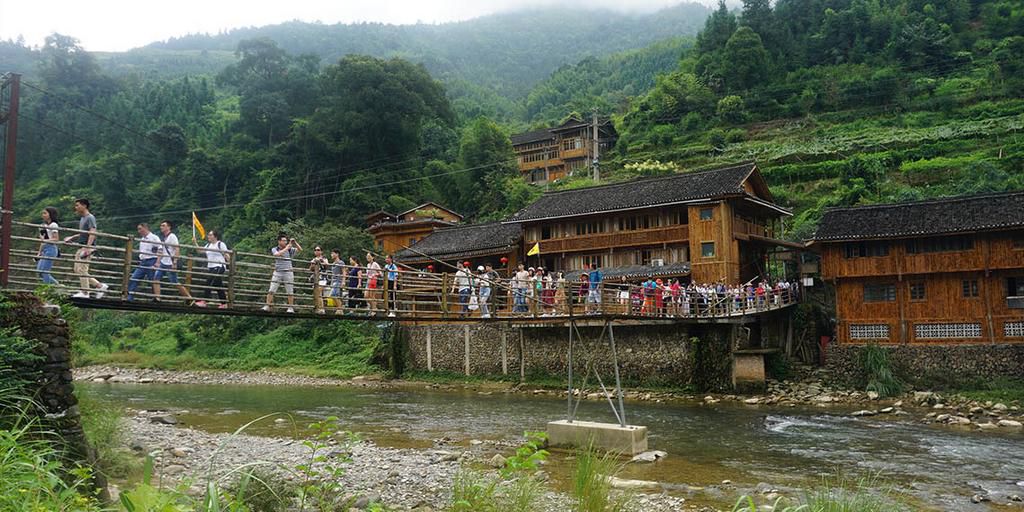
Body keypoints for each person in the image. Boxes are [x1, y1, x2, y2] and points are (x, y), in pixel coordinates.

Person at [65, 198, 108, 298]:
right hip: (81, 246)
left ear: (84, 206)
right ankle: (100, 286)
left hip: (87, 247)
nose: (76, 207)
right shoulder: (83, 218)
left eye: (77, 205)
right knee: (77, 269)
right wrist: (73, 237)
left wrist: (88, 248)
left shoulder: (90, 217)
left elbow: (92, 232)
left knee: (82, 270)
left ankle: (85, 292)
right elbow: (83, 232)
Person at [153, 220, 195, 304]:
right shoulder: (164, 237)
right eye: (161, 225)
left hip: (170, 263)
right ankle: (158, 298)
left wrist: (175, 262)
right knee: (156, 278)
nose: (161, 227)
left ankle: (189, 298)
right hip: (163, 262)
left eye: (163, 225)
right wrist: (158, 261)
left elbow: (177, 248)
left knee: (174, 282)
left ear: (169, 227)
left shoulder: (172, 236)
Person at [263, 234, 301, 313]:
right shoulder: (275, 248)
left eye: (286, 241)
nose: (285, 242)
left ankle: (290, 307)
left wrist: (295, 243)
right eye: (283, 241)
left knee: (290, 290)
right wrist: (287, 248)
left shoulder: (290, 249)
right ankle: (267, 305)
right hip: (278, 272)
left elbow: (300, 249)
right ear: (279, 241)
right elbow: (277, 254)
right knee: (272, 289)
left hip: (288, 272)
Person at [126, 223, 161, 301]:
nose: (139, 231)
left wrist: (157, 262)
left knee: (153, 280)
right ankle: (130, 297)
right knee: (134, 278)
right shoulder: (142, 239)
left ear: (145, 228)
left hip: (152, 260)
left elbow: (160, 249)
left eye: (140, 229)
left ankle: (156, 298)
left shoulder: (154, 238)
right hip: (143, 261)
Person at [196, 230, 230, 308]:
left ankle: (205, 301)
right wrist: (195, 242)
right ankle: (224, 303)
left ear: (215, 236)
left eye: (210, 235)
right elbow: (199, 251)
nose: (208, 236)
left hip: (219, 266)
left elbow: (226, 254)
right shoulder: (208, 245)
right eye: (208, 235)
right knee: (218, 285)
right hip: (211, 267)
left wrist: (230, 263)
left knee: (209, 282)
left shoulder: (220, 244)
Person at [36, 207, 61, 286]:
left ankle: (48, 289)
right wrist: (39, 252)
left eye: (45, 213)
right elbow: (42, 241)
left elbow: (56, 239)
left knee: (44, 271)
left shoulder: (53, 224)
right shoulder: (43, 225)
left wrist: (45, 241)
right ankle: (57, 285)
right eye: (43, 213)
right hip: (44, 249)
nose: (43, 215)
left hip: (51, 248)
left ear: (50, 214)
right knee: (39, 271)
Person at [309, 246, 329, 314]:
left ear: (321, 251)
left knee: (319, 292)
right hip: (316, 279)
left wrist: (321, 260)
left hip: (323, 278)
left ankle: (322, 309)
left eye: (318, 250)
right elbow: (311, 269)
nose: (317, 251)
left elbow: (326, 266)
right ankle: (317, 308)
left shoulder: (324, 258)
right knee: (316, 294)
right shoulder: (313, 259)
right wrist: (314, 263)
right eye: (315, 250)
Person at [330, 250, 344, 315]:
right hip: (334, 281)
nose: (331, 255)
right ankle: (339, 308)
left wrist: (343, 281)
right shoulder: (333, 263)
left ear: (337, 254)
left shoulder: (340, 262)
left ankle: (340, 309)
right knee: (335, 295)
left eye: (333, 253)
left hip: (338, 280)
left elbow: (344, 272)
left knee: (334, 295)